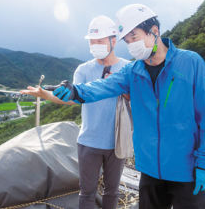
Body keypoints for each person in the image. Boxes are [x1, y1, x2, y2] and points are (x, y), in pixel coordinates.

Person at [23, 4, 205, 209]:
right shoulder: (133, 71)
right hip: (150, 171)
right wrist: (75, 91)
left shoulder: (191, 63)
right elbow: (102, 86)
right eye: (127, 41)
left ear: (154, 31)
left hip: (187, 170)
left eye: (134, 37)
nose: (131, 45)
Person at [23, 15, 130, 209]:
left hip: (117, 141)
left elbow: (136, 99)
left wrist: (120, 87)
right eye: (92, 42)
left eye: (99, 41)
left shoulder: (127, 68)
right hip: (89, 141)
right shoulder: (84, 69)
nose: (95, 45)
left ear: (113, 40)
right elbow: (72, 98)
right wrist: (44, 94)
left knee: (112, 191)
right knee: (87, 192)